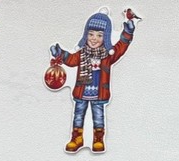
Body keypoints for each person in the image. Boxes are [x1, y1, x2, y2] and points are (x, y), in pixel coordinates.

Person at [49, 8, 137, 153]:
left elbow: (120, 48)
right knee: (78, 116)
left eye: (99, 35)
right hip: (81, 92)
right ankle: (76, 138)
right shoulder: (81, 54)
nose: (94, 38)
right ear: (85, 35)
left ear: (105, 37)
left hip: (99, 93)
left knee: (98, 116)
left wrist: (127, 33)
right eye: (90, 34)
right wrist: (60, 53)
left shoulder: (107, 56)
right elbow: (71, 60)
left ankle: (98, 139)